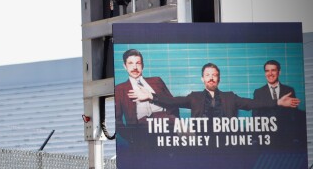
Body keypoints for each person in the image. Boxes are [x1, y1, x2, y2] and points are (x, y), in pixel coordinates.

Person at [129, 62, 300, 118]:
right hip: (201, 147)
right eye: (207, 75)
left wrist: (277, 102)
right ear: (202, 79)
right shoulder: (194, 97)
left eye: (214, 75)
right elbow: (173, 101)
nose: (211, 78)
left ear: (219, 79)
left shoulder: (230, 97)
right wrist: (151, 96)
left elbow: (253, 103)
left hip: (227, 146)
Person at [114, 49, 178, 128]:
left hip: (167, 123)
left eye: (138, 63)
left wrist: (175, 121)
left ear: (142, 65)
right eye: (130, 63)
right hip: (142, 129)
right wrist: (129, 135)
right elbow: (117, 120)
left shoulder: (157, 80)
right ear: (125, 66)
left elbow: (173, 103)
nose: (135, 67)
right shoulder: (120, 89)